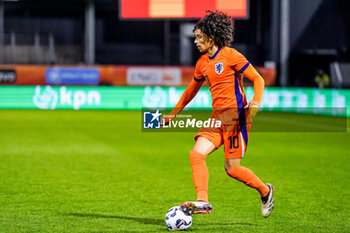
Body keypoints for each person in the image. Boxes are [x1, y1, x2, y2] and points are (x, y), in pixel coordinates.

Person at [161, 10, 274, 218]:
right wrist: (172, 115)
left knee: (232, 169)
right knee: (196, 154)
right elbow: (190, 92)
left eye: (199, 37)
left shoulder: (231, 55)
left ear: (211, 38)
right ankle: (202, 201)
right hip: (217, 118)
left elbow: (258, 79)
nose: (195, 41)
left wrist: (255, 104)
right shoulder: (202, 63)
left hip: (237, 118)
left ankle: (265, 191)